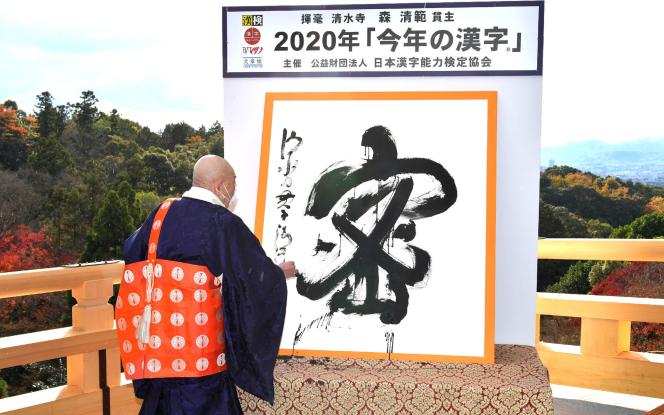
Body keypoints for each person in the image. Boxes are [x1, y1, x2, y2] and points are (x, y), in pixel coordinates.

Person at [116, 155, 296, 414]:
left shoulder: (161, 212)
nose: (233, 191)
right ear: (219, 185)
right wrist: (279, 273)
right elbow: (251, 277)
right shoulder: (221, 222)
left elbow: (134, 251)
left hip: (160, 352)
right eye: (233, 184)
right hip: (199, 354)